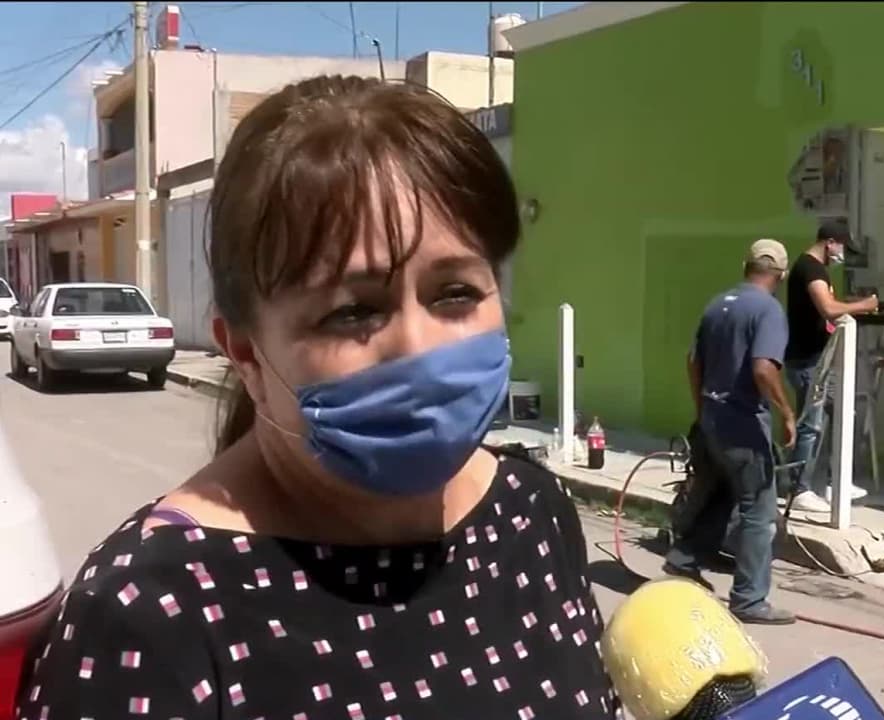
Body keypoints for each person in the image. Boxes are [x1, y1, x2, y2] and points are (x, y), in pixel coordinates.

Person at [14, 76, 619, 719]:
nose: (418, 346)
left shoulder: (533, 512)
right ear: (246, 353)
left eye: (455, 293)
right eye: (353, 311)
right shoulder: (149, 617)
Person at [663, 239, 797, 626]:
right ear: (781, 275)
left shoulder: (717, 304)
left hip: (712, 416)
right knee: (758, 510)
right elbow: (763, 368)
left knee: (722, 493)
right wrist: (787, 413)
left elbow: (692, 361)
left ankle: (684, 560)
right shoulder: (768, 310)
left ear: (745, 266)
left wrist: (701, 409)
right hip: (742, 424)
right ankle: (749, 599)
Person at [783, 220, 879, 513]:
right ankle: (798, 489)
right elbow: (828, 308)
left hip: (820, 359)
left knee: (843, 413)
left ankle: (836, 481)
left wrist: (847, 305)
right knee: (811, 425)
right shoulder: (810, 269)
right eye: (842, 248)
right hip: (808, 360)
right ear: (830, 243)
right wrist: (863, 305)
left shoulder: (817, 270)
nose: (842, 255)